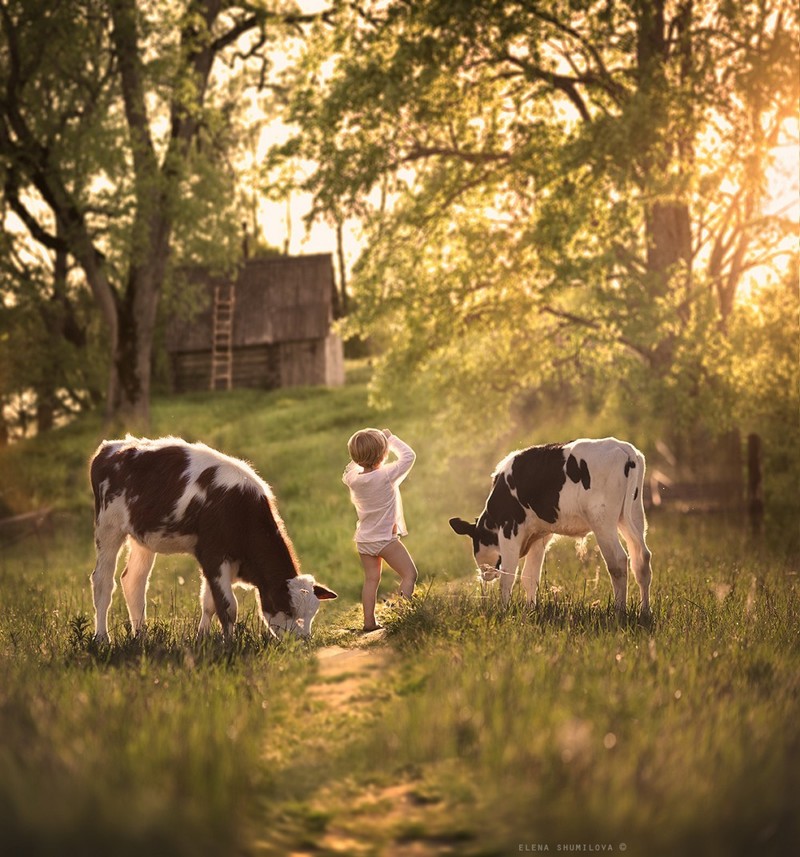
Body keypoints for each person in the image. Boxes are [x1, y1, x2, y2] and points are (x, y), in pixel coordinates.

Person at [343, 427, 419, 632]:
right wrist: (390, 438)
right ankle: (402, 615)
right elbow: (409, 456)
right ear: (383, 454)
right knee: (409, 575)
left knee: (371, 580)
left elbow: (350, 468)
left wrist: (360, 454)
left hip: (364, 541)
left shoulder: (353, 479)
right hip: (386, 540)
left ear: (356, 458)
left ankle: (369, 622)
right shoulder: (386, 475)